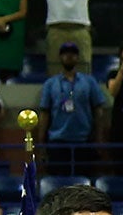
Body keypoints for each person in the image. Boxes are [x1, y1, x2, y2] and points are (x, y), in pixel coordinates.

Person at [36, 41, 109, 177]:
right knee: (59, 183)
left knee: (83, 184)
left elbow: (98, 111)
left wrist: (99, 138)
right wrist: (42, 144)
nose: (69, 57)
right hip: (58, 142)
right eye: (65, 54)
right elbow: (44, 114)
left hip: (83, 141)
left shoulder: (89, 82)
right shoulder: (50, 84)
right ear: (60, 57)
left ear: (77, 57)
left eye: (72, 54)